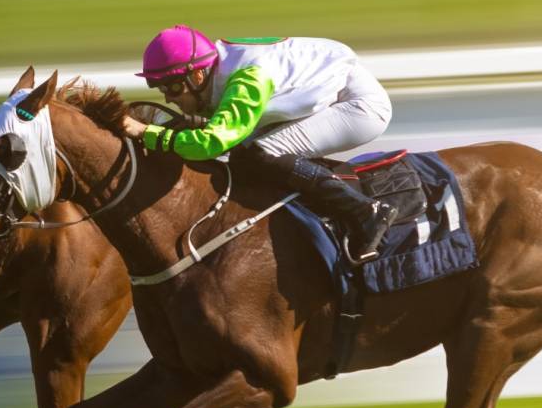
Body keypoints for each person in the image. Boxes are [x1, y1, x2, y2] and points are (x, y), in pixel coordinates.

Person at [121, 25, 399, 262]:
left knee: (261, 153)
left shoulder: (247, 79)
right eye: (161, 89)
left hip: (357, 106)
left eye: (173, 87)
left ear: (197, 76)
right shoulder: (219, 72)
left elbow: (212, 143)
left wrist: (147, 133)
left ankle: (367, 211)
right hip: (327, 91)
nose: (168, 98)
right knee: (243, 156)